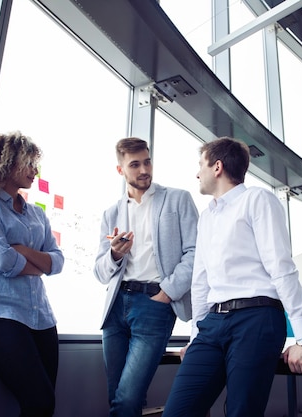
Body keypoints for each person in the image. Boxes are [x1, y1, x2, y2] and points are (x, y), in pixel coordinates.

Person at [163, 136, 302, 417]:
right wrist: (196, 334)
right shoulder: (207, 217)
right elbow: (200, 282)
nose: (197, 172)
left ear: (217, 166)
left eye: (201, 165)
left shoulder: (257, 200)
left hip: (256, 319)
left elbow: (281, 267)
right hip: (213, 323)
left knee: (241, 412)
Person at [93, 137, 199, 417]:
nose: (144, 170)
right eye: (135, 164)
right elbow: (99, 271)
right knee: (117, 396)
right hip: (115, 307)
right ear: (121, 170)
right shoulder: (111, 213)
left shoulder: (177, 199)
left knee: (127, 399)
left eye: (147, 161)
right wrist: (115, 254)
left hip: (153, 305)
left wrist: (167, 292)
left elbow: (196, 252)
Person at [0, 131, 65, 417]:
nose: (35, 170)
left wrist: (21, 249)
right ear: (7, 163)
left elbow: (57, 263)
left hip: (40, 315)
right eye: (29, 163)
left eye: (36, 164)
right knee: (39, 401)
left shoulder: (37, 214)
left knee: (45, 406)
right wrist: (37, 266)